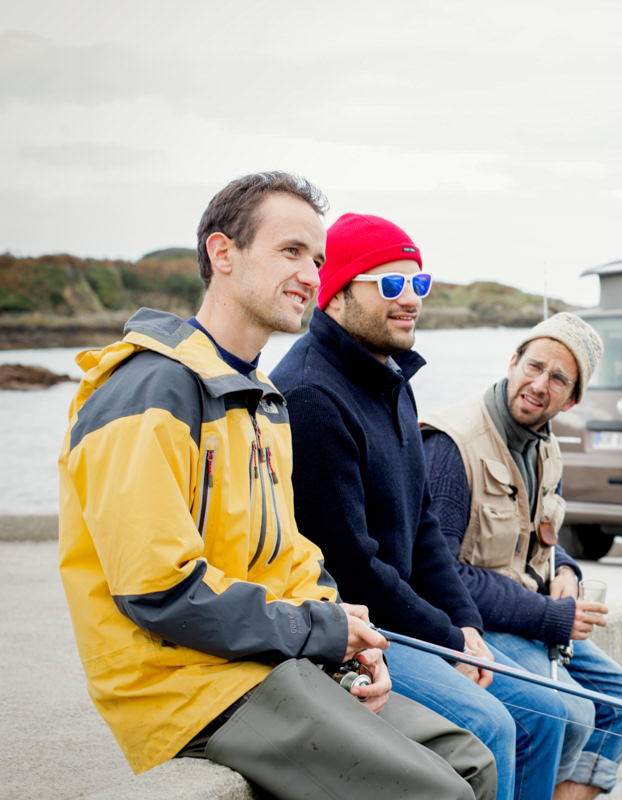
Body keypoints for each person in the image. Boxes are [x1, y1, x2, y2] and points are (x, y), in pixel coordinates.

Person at [57, 173, 496, 800]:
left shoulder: (261, 400)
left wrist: (347, 637)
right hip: (185, 681)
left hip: (268, 659)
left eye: (317, 259)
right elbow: (157, 588)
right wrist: (319, 632)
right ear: (223, 253)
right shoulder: (147, 392)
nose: (312, 275)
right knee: (439, 792)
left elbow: (290, 553)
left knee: (469, 760)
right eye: (291, 252)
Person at [271, 213, 567, 800]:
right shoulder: (311, 395)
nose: (410, 300)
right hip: (357, 626)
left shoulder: (392, 379)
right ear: (335, 294)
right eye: (389, 285)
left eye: (419, 284)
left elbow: (426, 529)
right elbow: (353, 566)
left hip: (408, 622)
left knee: (551, 713)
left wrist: (467, 627)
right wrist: (449, 641)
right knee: (489, 723)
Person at [422, 313, 622, 800]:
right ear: (513, 361)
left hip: (529, 611)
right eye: (534, 366)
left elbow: (535, 534)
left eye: (558, 379)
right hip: (475, 621)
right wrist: (550, 616)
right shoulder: (452, 444)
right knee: (567, 712)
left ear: (573, 398)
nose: (539, 384)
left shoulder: (545, 445)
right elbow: (437, 572)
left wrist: (564, 569)